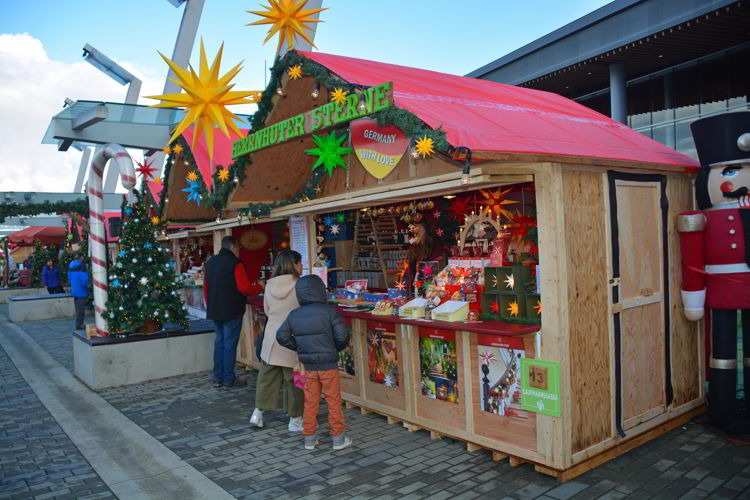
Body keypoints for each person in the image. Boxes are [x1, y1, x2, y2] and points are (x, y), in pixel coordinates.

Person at [276, 275, 352, 450]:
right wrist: (334, 349)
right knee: (333, 400)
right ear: (320, 291)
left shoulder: (294, 314)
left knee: (310, 402)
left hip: (309, 366)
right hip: (328, 364)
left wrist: (300, 348)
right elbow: (342, 336)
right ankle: (338, 438)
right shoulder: (329, 311)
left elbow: (282, 336)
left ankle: (309, 439)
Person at [248, 250, 305, 432]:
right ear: (293, 264)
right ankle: (295, 420)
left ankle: (258, 413)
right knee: (295, 381)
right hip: (292, 339)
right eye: (299, 262)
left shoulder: (269, 285)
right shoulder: (300, 285)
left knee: (266, 378)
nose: (301, 266)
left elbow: (266, 310)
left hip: (272, 339)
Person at [204, 236, 265, 389]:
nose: (239, 251)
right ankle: (228, 379)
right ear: (233, 247)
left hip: (215, 310)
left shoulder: (210, 263)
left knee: (219, 343)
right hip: (232, 310)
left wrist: (210, 305)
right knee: (229, 344)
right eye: (238, 248)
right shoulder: (235, 264)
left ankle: (218, 377)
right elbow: (244, 288)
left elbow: (206, 289)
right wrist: (260, 287)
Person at [68, 255, 89, 330]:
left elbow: (69, 279)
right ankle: (79, 325)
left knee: (77, 309)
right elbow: (84, 280)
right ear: (81, 258)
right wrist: (88, 287)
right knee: (81, 310)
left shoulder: (71, 265)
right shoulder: (82, 266)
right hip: (81, 291)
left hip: (75, 290)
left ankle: (79, 324)